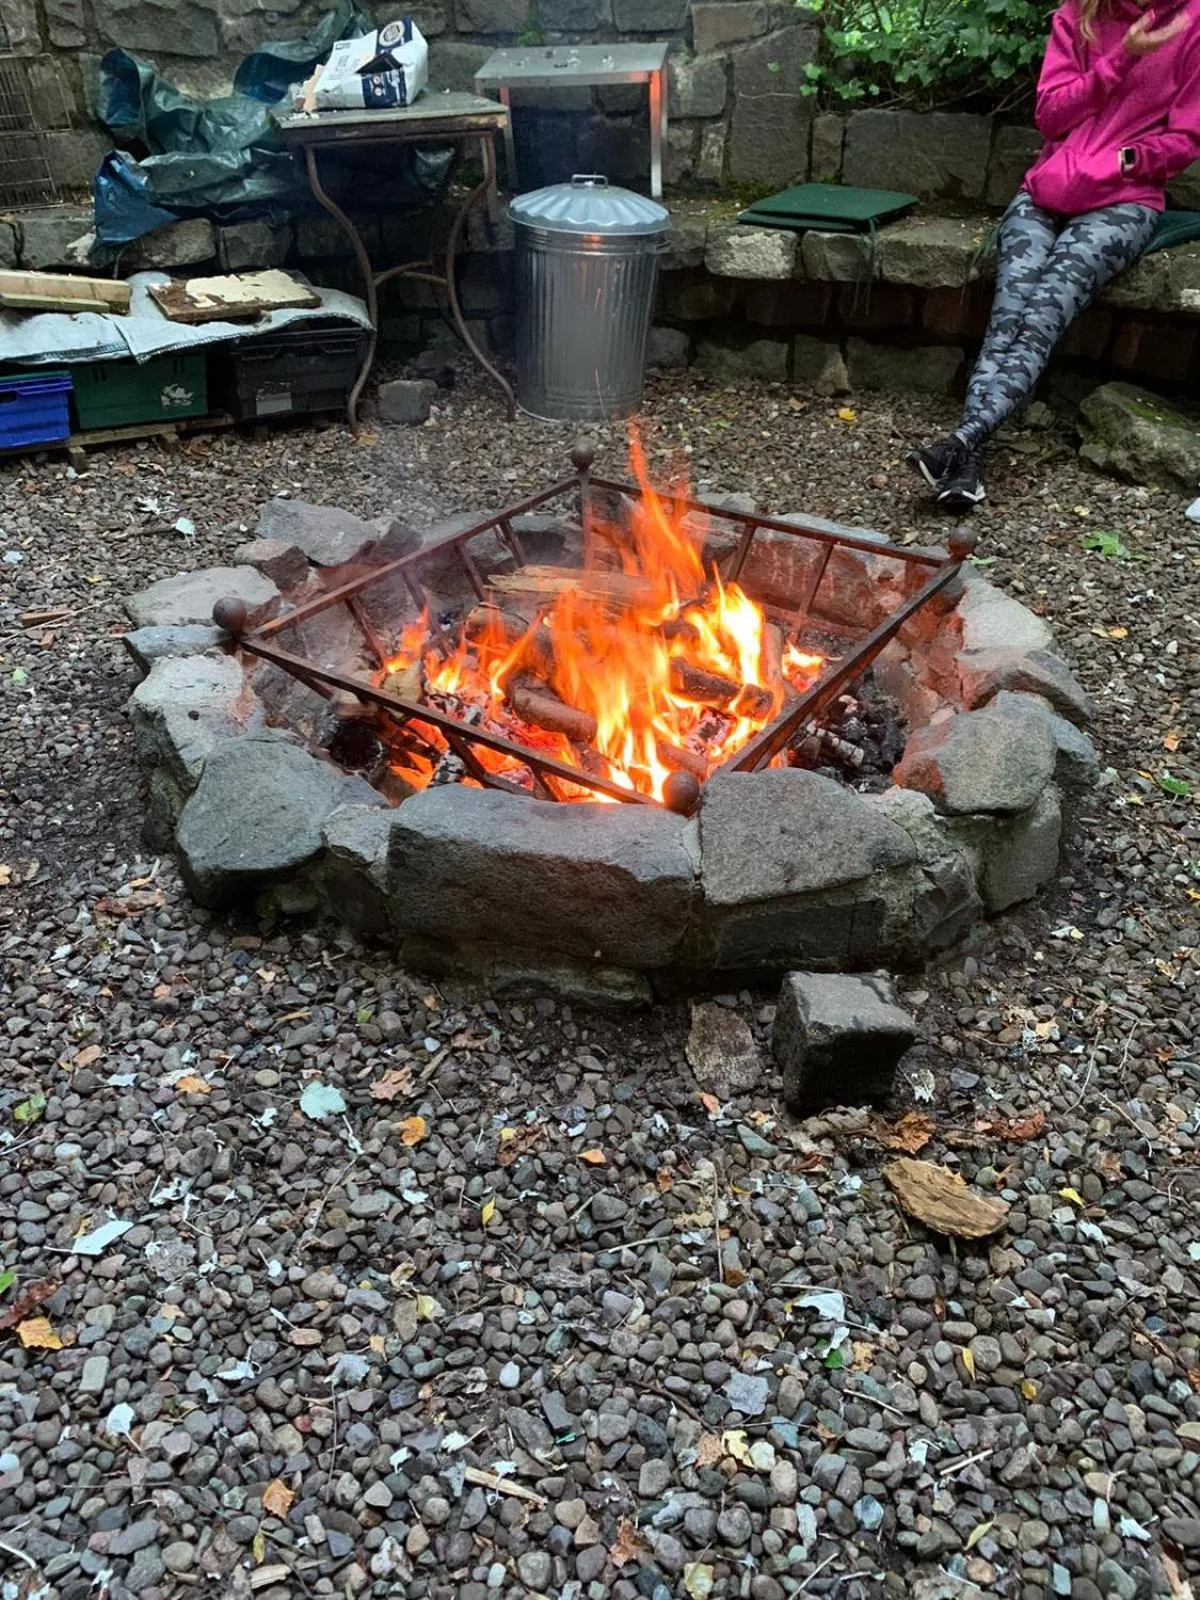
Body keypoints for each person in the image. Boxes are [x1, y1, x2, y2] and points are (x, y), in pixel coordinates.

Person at [910, 0, 1200, 512]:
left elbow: (1185, 140)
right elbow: (1050, 116)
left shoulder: (1191, 21)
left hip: (1126, 199)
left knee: (1043, 313)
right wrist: (1119, 60)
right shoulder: (1079, 14)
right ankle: (964, 462)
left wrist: (1123, 161)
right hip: (1047, 190)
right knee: (1008, 316)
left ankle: (960, 445)